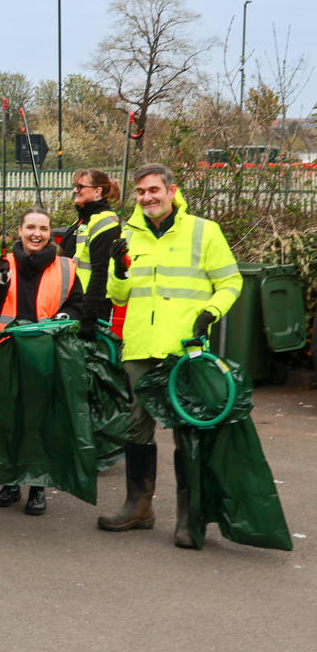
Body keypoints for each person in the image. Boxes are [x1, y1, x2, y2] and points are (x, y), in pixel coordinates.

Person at [102, 163, 241, 548]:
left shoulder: (203, 231)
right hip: (141, 347)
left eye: (153, 190)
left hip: (186, 351)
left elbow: (231, 281)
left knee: (186, 430)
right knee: (137, 426)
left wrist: (209, 314)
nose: (147, 197)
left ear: (171, 190)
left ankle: (188, 517)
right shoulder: (128, 235)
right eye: (141, 192)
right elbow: (118, 296)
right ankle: (138, 507)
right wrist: (118, 268)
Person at [0, 206, 84, 516]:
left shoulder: (66, 268)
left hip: (44, 356)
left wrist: (65, 316)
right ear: (20, 231)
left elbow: (78, 306)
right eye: (30, 227)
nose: (36, 233)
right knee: (7, 422)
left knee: (39, 423)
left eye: (43, 228)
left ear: (51, 233)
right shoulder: (1, 263)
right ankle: (10, 483)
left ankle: (37, 487)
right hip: (4, 355)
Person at [66, 169, 124, 337]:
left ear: (98, 191)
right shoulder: (82, 220)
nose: (75, 190)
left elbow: (101, 271)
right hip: (74, 303)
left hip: (88, 309)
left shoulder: (105, 222)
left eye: (80, 186)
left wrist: (89, 316)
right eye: (75, 186)